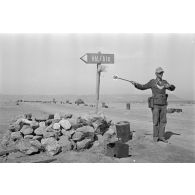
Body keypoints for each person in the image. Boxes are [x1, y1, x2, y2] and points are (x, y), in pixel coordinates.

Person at [131, 67, 176, 143]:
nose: (161, 74)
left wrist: (170, 86)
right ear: (156, 74)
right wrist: (136, 84)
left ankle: (161, 136)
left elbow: (172, 89)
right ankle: (155, 137)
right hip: (155, 105)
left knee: (163, 121)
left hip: (163, 105)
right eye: (159, 73)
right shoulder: (152, 82)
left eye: (162, 73)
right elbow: (142, 87)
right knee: (155, 121)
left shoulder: (165, 82)